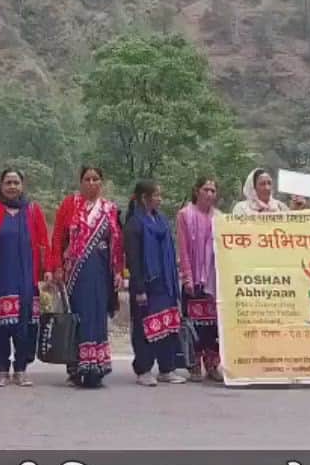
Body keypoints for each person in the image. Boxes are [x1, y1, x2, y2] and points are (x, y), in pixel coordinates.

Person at [0, 168, 48, 387]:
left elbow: (43, 242)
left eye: (16, 183)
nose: (12, 187)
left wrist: (48, 269)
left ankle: (21, 368)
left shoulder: (33, 211)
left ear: (22, 186)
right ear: (1, 186)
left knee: (25, 324)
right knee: (0, 325)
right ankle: (2, 369)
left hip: (26, 279)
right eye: (8, 183)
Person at [48, 166, 123, 388]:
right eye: (87, 179)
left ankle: (95, 369)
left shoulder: (110, 209)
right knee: (77, 317)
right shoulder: (70, 205)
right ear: (80, 182)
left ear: (102, 182)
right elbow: (58, 237)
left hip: (100, 272)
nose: (91, 183)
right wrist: (57, 267)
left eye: (96, 179)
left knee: (96, 316)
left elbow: (117, 245)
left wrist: (118, 271)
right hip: (75, 273)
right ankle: (75, 367)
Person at [124, 180, 186, 387]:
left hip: (164, 284)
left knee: (167, 326)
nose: (160, 199)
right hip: (146, 284)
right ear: (144, 198)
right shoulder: (135, 224)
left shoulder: (161, 220)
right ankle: (143, 369)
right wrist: (139, 287)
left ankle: (166, 368)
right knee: (145, 328)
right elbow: (133, 259)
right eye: (156, 195)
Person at [177, 177, 222, 382]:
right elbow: (184, 248)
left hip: (214, 280)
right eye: (206, 189)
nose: (210, 194)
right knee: (194, 324)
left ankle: (212, 365)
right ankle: (194, 364)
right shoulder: (185, 215)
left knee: (213, 326)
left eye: (213, 190)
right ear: (197, 191)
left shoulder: (220, 218)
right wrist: (187, 277)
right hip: (194, 278)